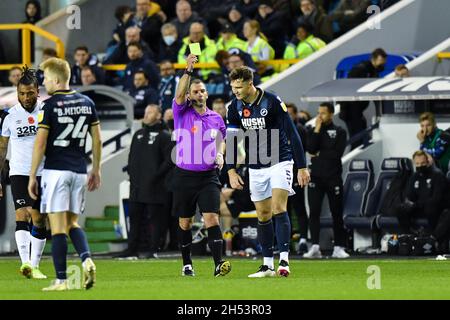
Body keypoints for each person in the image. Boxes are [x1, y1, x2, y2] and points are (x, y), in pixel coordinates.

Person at [226, 66, 310, 277]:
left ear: (249, 84)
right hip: (255, 165)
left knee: (278, 208)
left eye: (238, 87)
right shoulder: (234, 107)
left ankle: (284, 261)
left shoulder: (271, 101)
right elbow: (232, 140)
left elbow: (292, 133)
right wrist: (231, 170)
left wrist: (302, 166)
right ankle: (267, 265)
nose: (235, 91)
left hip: (280, 160)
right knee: (263, 214)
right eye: (233, 87)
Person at [28, 57, 102, 291]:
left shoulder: (49, 106)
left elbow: (40, 144)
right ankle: (87, 259)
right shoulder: (87, 102)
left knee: (57, 227)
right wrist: (96, 169)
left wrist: (32, 175)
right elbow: (97, 138)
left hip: (56, 171)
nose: (44, 84)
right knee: (73, 223)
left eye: (47, 79)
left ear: (57, 80)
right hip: (79, 171)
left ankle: (61, 280)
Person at [171, 53, 231, 277]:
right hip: (184, 175)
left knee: (212, 218)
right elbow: (178, 93)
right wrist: (188, 69)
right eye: (195, 91)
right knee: (185, 222)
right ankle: (187, 263)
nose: (200, 93)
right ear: (189, 95)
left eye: (202, 90)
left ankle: (218, 264)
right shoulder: (181, 111)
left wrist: (221, 154)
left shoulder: (216, 117)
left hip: (208, 177)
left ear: (207, 93)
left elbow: (222, 140)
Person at [0, 67, 48, 279]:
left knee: (38, 218)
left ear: (37, 91)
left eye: (30, 93)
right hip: (19, 172)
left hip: (43, 172)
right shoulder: (9, 116)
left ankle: (35, 264)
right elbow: (2, 148)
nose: (26, 97)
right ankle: (26, 264)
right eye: (22, 93)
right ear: (17, 92)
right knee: (22, 214)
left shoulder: (47, 111)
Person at [117, 104, 174, 258]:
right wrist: (131, 172)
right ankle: (132, 249)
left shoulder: (164, 136)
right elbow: (131, 157)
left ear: (158, 116)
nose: (146, 115)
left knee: (155, 220)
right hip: (136, 186)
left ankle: (154, 249)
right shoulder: (138, 134)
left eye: (150, 112)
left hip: (155, 187)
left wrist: (156, 176)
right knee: (134, 218)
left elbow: (170, 160)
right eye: (146, 112)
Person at [303, 102, 349, 259]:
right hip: (315, 177)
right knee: (314, 212)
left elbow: (336, 154)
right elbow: (310, 149)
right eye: (318, 113)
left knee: (337, 213)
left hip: (333, 177)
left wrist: (319, 154)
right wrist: (316, 130)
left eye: (323, 113)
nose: (319, 116)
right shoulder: (313, 130)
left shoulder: (340, 131)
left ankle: (339, 247)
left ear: (331, 114)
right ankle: (315, 246)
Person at [396, 151, 450, 253]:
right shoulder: (414, 177)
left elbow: (436, 199)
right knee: (401, 209)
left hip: (436, 209)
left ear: (428, 162)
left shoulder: (438, 176)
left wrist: (416, 204)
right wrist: (410, 203)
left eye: (422, 163)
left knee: (431, 206)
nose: (420, 166)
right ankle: (411, 237)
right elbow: (409, 195)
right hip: (420, 207)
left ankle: (431, 240)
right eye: (417, 164)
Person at [339, 48, 387, 150]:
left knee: (362, 134)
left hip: (358, 110)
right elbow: (348, 89)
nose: (382, 65)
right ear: (374, 59)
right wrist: (345, 110)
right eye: (380, 62)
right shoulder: (360, 69)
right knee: (357, 138)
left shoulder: (373, 71)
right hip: (351, 109)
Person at [285, 103, 309, 255]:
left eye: (289, 113)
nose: (287, 116)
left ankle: (303, 239)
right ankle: (285, 242)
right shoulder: (279, 128)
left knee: (299, 207)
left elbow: (304, 149)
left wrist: (302, 168)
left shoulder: (299, 130)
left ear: (295, 115)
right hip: (282, 173)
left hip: (296, 173)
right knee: (283, 209)